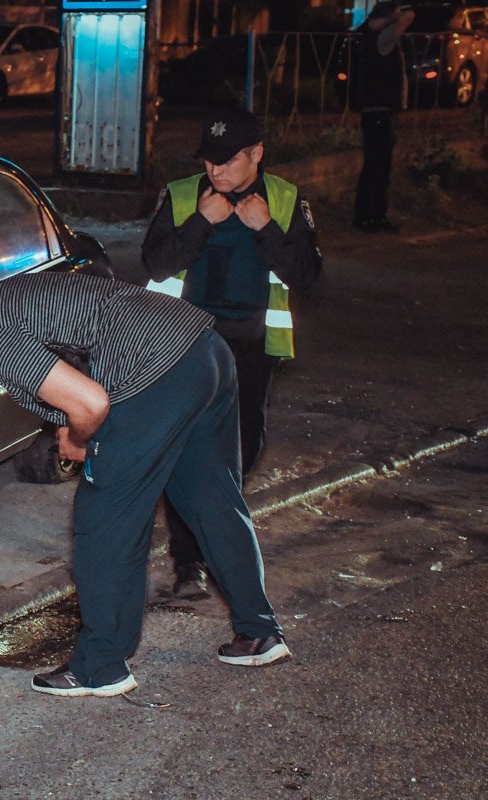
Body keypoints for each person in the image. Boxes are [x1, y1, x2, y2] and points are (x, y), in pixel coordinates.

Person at [0, 268, 290, 698]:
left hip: (155, 373)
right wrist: (73, 424)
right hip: (204, 349)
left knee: (104, 518)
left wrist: (80, 439)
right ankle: (259, 633)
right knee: (211, 498)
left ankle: (101, 666)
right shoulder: (0, 299)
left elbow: (91, 403)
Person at [141, 106, 323, 600]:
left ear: (256, 154)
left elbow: (306, 275)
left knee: (242, 449)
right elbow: (155, 262)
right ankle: (190, 562)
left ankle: (210, 537)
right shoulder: (183, 195)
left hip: (250, 349)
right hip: (183, 344)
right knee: (184, 449)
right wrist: (201, 221)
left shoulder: (284, 199)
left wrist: (266, 228)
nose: (215, 171)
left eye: (226, 161)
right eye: (208, 160)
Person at [352, 1, 414, 233]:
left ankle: (366, 216)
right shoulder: (384, 37)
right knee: (379, 167)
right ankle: (373, 216)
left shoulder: (370, 35)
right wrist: (395, 17)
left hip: (374, 110)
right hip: (380, 110)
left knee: (373, 166)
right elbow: (409, 16)